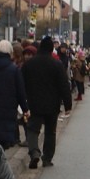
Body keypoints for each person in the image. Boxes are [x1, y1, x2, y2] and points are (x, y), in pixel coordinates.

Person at [20, 37, 72, 169]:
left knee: (32, 129)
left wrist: (23, 102)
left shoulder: (29, 64)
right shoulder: (57, 64)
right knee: (50, 131)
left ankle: (34, 153)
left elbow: (21, 84)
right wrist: (67, 105)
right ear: (51, 49)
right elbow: (64, 86)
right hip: (52, 104)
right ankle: (47, 158)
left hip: (34, 103)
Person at [0, 40, 29, 148]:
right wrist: (25, 109)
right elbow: (21, 93)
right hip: (7, 112)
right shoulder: (14, 70)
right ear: (10, 52)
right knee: (2, 145)